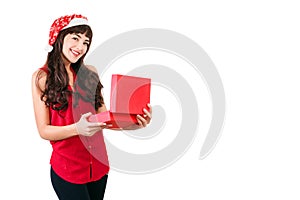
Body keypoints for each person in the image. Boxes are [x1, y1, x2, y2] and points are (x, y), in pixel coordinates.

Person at [31, 14, 152, 200]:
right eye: (75, 38)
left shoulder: (90, 74)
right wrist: (77, 129)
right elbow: (44, 130)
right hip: (68, 170)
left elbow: (105, 118)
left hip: (98, 166)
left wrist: (136, 123)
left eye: (86, 42)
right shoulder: (41, 77)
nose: (81, 47)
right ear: (59, 37)